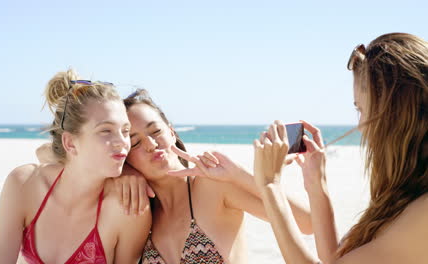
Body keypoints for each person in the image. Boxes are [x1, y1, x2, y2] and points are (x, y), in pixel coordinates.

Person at [253, 33, 428, 263]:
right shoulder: (406, 193)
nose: (360, 126)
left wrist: (269, 186)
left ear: (393, 115)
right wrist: (316, 183)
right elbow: (336, 259)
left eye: (362, 109)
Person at [123, 89, 313, 264]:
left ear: (171, 132)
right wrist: (125, 173)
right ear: (125, 155)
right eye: (135, 142)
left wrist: (238, 174)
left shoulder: (212, 186)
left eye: (156, 131)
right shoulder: (139, 213)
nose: (151, 144)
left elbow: (309, 223)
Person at [0, 70, 151, 263]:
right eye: (106, 130)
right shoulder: (24, 184)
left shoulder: (128, 208)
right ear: (70, 143)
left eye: (125, 131)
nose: (122, 142)